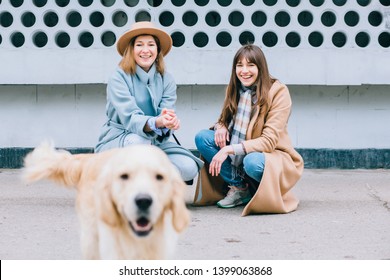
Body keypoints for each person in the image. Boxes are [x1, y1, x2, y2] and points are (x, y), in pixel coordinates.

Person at [194, 44, 304, 215]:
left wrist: (229, 149)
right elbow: (225, 118)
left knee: (252, 162)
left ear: (260, 67)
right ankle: (240, 187)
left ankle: (269, 189)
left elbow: (268, 142)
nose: (244, 71)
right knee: (203, 137)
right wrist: (221, 125)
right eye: (239, 65)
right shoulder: (236, 89)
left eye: (250, 65)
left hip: (270, 155)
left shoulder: (279, 92)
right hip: (243, 153)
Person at [95, 21, 203, 183]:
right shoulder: (118, 77)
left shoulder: (167, 79)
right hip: (120, 139)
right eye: (139, 45)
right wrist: (157, 121)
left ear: (157, 50)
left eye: (151, 45)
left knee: (188, 168)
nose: (145, 50)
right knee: (139, 142)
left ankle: (148, 182)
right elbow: (130, 118)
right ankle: (129, 182)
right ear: (131, 49)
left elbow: (165, 112)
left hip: (154, 142)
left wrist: (168, 122)